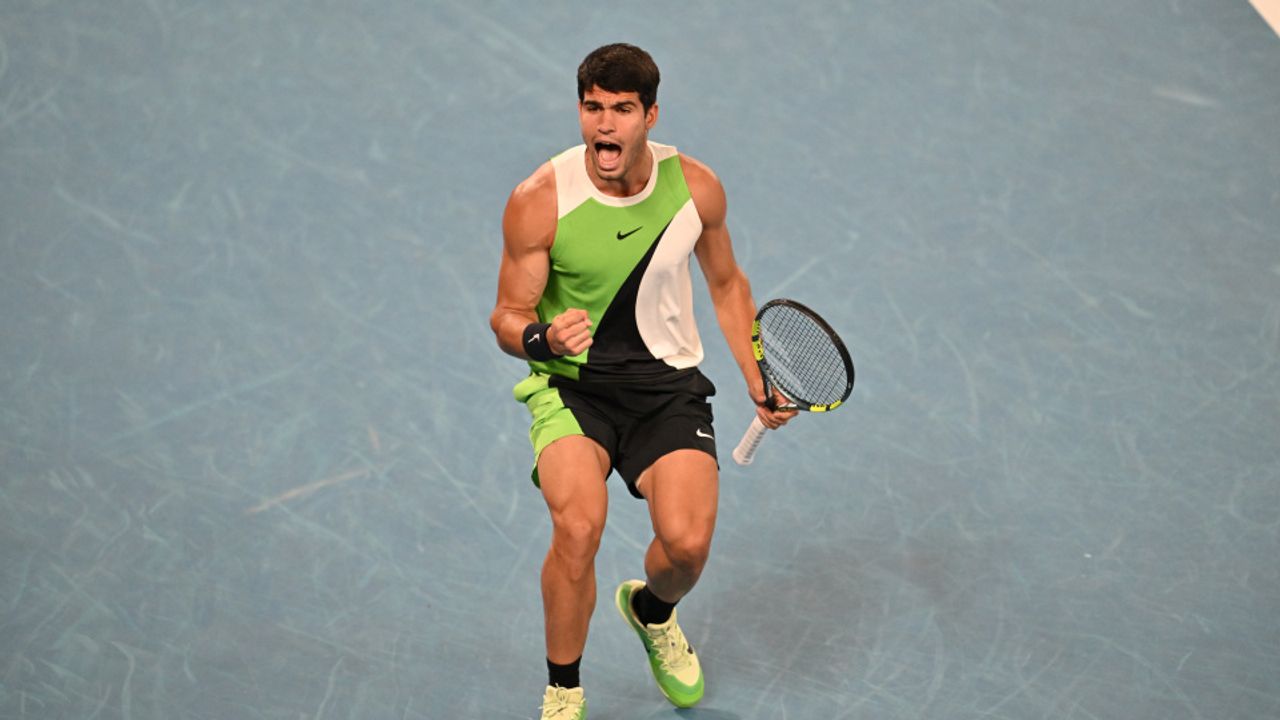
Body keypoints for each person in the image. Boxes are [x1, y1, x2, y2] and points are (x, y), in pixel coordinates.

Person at [489, 43, 795, 719]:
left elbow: (726, 284)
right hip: (574, 389)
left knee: (686, 548)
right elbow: (507, 317)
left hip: (667, 390)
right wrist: (543, 338)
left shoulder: (695, 189)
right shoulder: (540, 201)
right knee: (578, 528)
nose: (604, 125)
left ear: (650, 116)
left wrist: (757, 374)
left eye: (622, 109)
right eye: (592, 107)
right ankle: (564, 689)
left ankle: (652, 611)